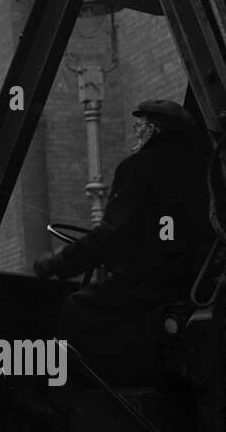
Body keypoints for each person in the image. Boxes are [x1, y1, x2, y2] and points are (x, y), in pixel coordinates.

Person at [33, 99, 211, 382]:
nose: (136, 134)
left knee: (77, 308)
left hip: (149, 282)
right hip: (194, 280)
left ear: (153, 131)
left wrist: (58, 262)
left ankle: (66, 399)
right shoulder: (206, 170)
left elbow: (112, 232)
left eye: (140, 127)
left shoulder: (138, 168)